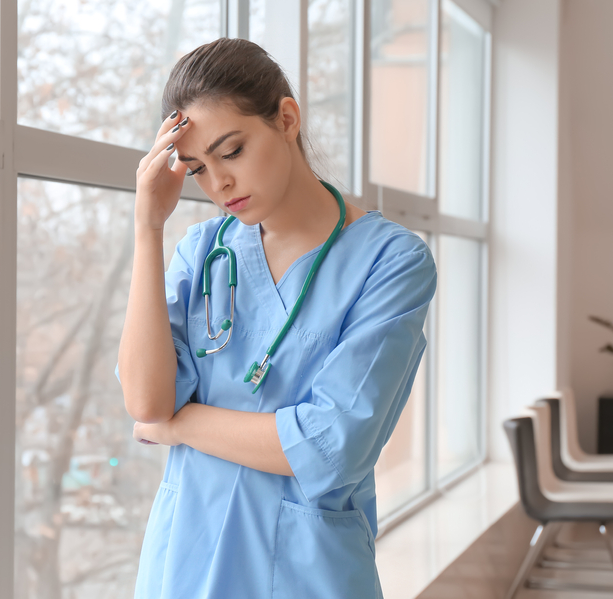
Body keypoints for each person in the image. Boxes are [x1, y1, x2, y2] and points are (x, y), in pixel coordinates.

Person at [116, 38, 437, 598]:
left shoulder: (391, 262)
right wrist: (148, 227)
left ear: (286, 118)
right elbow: (146, 400)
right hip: (184, 564)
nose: (219, 185)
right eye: (197, 168)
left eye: (231, 151)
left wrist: (178, 425)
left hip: (304, 573)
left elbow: (331, 446)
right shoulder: (201, 251)